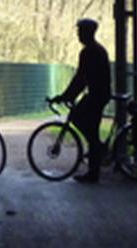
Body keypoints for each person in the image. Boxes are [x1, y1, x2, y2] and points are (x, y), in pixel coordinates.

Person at [50, 18, 111, 183]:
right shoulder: (98, 49)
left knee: (80, 121)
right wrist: (67, 95)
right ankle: (95, 158)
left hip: (96, 95)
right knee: (90, 129)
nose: (78, 35)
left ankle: (95, 158)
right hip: (99, 94)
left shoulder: (89, 51)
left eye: (80, 31)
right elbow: (82, 79)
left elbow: (80, 78)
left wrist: (65, 96)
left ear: (87, 32)